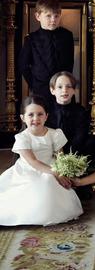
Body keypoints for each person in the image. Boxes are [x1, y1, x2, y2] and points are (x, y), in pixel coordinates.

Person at [0, 96, 83, 226]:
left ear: (46, 116)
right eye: (31, 115)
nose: (35, 119)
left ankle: (52, 211)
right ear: (23, 118)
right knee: (41, 183)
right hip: (28, 171)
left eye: (40, 114)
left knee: (49, 181)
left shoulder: (54, 134)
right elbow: (33, 161)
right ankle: (32, 213)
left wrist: (63, 171)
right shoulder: (22, 138)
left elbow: (60, 157)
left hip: (51, 168)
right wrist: (56, 173)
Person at [18, 0, 73, 109]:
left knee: (65, 118)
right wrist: (34, 84)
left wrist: (65, 83)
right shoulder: (31, 39)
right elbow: (23, 65)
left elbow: (70, 62)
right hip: (40, 88)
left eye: (56, 16)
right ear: (38, 16)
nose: (53, 19)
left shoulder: (67, 36)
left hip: (63, 89)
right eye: (48, 16)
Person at [46, 71, 95, 164]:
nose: (64, 90)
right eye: (60, 87)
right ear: (52, 90)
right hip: (52, 149)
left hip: (74, 149)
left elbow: (80, 136)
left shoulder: (80, 111)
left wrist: (70, 157)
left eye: (69, 86)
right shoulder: (47, 111)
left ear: (74, 90)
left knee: (93, 142)